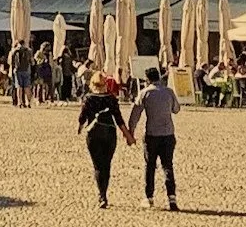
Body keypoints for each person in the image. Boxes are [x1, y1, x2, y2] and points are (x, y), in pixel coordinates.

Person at [127, 66, 181, 210]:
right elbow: (176, 109)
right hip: (168, 133)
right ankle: (172, 198)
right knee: (167, 166)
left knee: (150, 166)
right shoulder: (169, 92)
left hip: (152, 134)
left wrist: (130, 132)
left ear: (147, 79)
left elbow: (135, 114)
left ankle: (149, 198)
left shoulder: (145, 93)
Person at [76, 73, 133, 208]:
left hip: (93, 134)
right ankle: (104, 193)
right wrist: (128, 136)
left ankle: (102, 195)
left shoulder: (89, 99)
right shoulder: (111, 99)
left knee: (98, 166)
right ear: (105, 84)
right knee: (106, 165)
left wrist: (79, 128)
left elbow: (82, 118)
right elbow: (119, 120)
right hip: (109, 134)